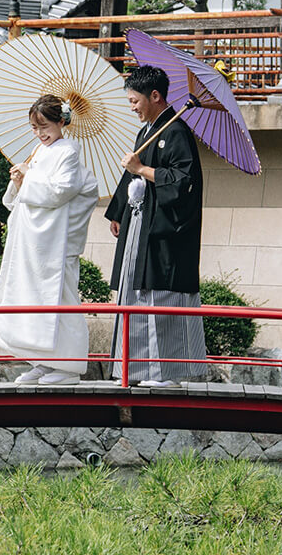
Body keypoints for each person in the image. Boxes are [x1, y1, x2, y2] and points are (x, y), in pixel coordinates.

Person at [0, 94, 99, 386]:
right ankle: (42, 361)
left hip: (55, 242)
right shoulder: (40, 150)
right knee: (33, 296)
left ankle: (69, 366)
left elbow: (61, 191)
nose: (40, 133)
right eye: (35, 128)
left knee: (60, 297)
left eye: (45, 126)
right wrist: (20, 181)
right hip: (35, 240)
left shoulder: (68, 151)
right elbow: (21, 198)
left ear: (62, 121)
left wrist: (30, 179)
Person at [105, 65, 206, 388]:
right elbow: (131, 174)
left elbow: (183, 182)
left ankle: (167, 374)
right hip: (140, 224)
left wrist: (143, 169)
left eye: (134, 101)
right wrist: (119, 210)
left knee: (160, 299)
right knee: (136, 294)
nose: (132, 107)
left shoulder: (176, 132)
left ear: (155, 96)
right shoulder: (149, 130)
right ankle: (135, 370)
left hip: (165, 233)